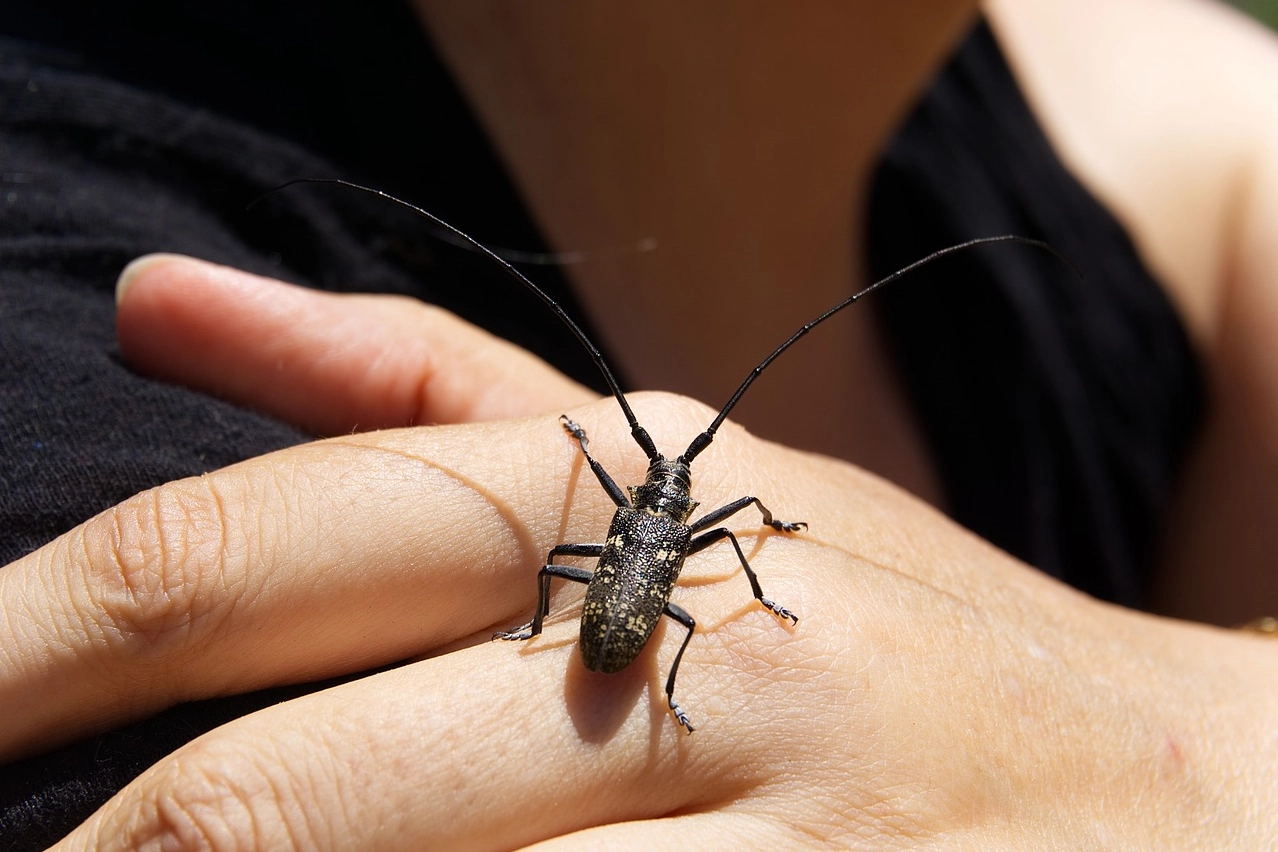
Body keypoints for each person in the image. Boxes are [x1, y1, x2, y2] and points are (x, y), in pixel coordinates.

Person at [2, 0, 1277, 848]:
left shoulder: (1148, 126)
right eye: (664, 490)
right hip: (617, 638)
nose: (666, 497)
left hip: (610, 631)